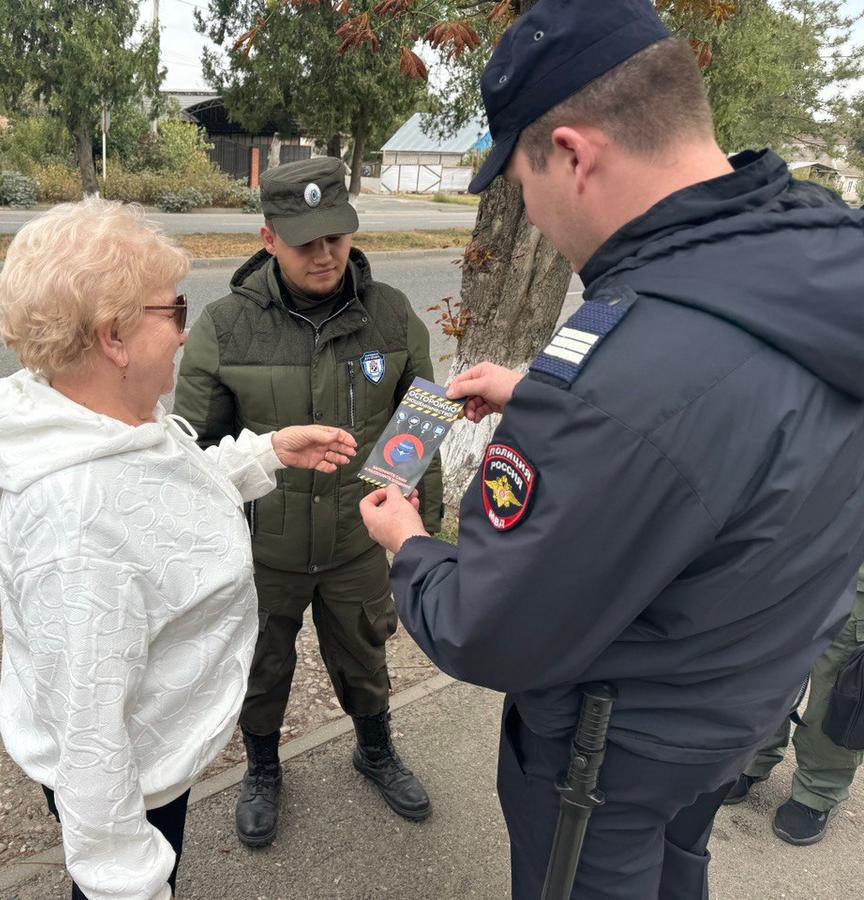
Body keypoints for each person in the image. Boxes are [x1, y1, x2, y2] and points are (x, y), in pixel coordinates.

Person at [357, 1, 864, 897]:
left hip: (609, 761)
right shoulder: (815, 251)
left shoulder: (626, 368)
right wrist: (552, 402)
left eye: (520, 182)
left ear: (574, 153)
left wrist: (408, 543)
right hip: (734, 701)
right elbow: (733, 431)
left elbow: (490, 626)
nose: (534, 216)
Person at [0, 198, 357, 900]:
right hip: (130, 777)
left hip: (154, 752)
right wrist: (132, 888)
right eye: (173, 313)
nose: (184, 335)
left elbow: (164, 497)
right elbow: (92, 746)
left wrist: (266, 454)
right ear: (113, 338)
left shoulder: (110, 421)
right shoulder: (78, 529)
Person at [173, 156, 444, 848]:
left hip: (356, 542)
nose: (325, 255)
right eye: (305, 241)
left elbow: (422, 428)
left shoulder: (389, 316)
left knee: (365, 654)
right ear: (268, 239)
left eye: (337, 237)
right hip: (265, 551)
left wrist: (425, 537)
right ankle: (262, 768)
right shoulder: (226, 328)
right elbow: (191, 457)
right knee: (262, 666)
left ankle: (374, 747)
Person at [724, 563, 864, 845]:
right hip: (800, 552)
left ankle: (820, 788)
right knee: (770, 661)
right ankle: (754, 756)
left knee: (841, 686)